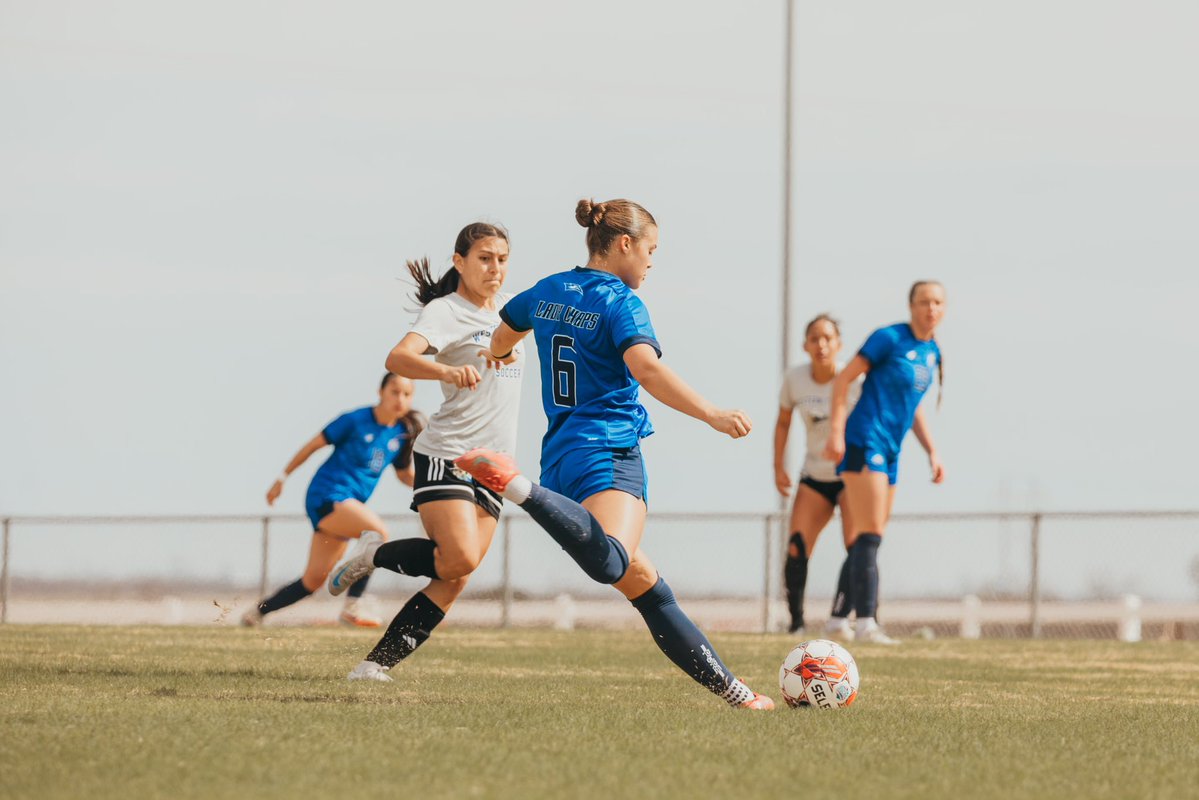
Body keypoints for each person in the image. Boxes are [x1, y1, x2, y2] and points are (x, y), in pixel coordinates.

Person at [457, 197, 775, 710]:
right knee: (612, 563)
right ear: (624, 244)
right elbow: (646, 371)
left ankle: (737, 693)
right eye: (651, 249)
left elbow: (503, 332)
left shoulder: (549, 288)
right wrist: (713, 414)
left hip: (560, 457)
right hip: (608, 449)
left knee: (647, 585)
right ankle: (516, 486)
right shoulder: (620, 300)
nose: (652, 261)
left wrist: (498, 353)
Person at [327, 221, 523, 682]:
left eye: (502, 259)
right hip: (448, 454)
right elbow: (397, 358)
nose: (495, 268)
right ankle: (374, 556)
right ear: (460, 262)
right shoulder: (447, 312)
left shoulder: (513, 315)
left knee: (455, 576)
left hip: (495, 466)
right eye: (484, 258)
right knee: (461, 558)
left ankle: (372, 666)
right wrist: (445, 372)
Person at [243, 373, 423, 628]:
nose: (400, 399)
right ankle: (354, 604)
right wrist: (282, 478)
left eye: (407, 394)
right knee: (376, 532)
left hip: (347, 507)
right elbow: (312, 445)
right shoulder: (355, 420)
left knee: (312, 581)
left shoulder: (402, 433)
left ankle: (257, 613)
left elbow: (404, 474)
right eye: (394, 391)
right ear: (380, 392)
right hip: (326, 495)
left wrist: (435, 485)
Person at [822, 280, 947, 644]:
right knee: (870, 534)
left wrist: (932, 451)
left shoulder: (931, 351)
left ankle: (836, 620)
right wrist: (836, 431)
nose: (931, 308)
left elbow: (914, 405)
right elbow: (844, 379)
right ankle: (867, 622)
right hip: (864, 439)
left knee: (869, 534)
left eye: (938, 302)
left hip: (893, 448)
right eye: (924, 301)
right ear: (911, 306)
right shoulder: (889, 338)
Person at [773, 314, 862, 638]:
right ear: (805, 345)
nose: (821, 344)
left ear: (839, 345)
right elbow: (783, 422)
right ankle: (796, 623)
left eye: (828, 338)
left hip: (852, 475)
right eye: (815, 338)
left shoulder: (853, 378)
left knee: (858, 546)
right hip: (814, 475)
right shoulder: (795, 379)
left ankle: (848, 617)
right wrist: (778, 466)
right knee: (796, 546)